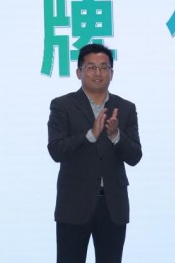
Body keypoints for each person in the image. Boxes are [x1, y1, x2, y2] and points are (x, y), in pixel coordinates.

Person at [47, 43, 142, 263]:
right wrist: (90, 135)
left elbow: (135, 156)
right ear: (79, 72)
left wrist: (116, 135)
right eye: (91, 67)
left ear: (112, 73)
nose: (98, 73)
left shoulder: (126, 108)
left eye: (104, 67)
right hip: (73, 204)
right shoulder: (62, 105)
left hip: (113, 205)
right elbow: (56, 150)